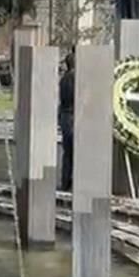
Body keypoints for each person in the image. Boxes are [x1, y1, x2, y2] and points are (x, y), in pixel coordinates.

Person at [58, 51, 75, 191]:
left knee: (67, 152)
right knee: (74, 151)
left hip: (65, 116)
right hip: (72, 116)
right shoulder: (75, 77)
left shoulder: (63, 78)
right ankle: (71, 182)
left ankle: (65, 182)